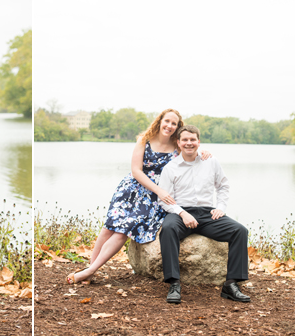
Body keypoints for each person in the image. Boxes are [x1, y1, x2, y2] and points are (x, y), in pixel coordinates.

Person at [67, 108, 209, 284]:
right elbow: (136, 171)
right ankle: (89, 271)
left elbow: (191, 150)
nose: (169, 126)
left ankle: (89, 271)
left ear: (178, 127)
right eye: (167, 121)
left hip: (155, 200)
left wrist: (204, 154)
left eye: (174, 123)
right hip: (132, 190)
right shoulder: (145, 140)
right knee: (109, 227)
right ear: (160, 121)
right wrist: (159, 190)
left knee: (123, 231)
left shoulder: (177, 145)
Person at [158, 125, 250, 304]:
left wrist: (220, 207)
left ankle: (231, 284)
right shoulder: (170, 168)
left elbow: (223, 186)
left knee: (240, 231)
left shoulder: (211, 161)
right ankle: (174, 284)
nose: (189, 143)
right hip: (180, 212)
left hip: (208, 214)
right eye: (185, 140)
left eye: (193, 140)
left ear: (198, 142)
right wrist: (182, 213)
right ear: (178, 143)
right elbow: (164, 199)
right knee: (168, 229)